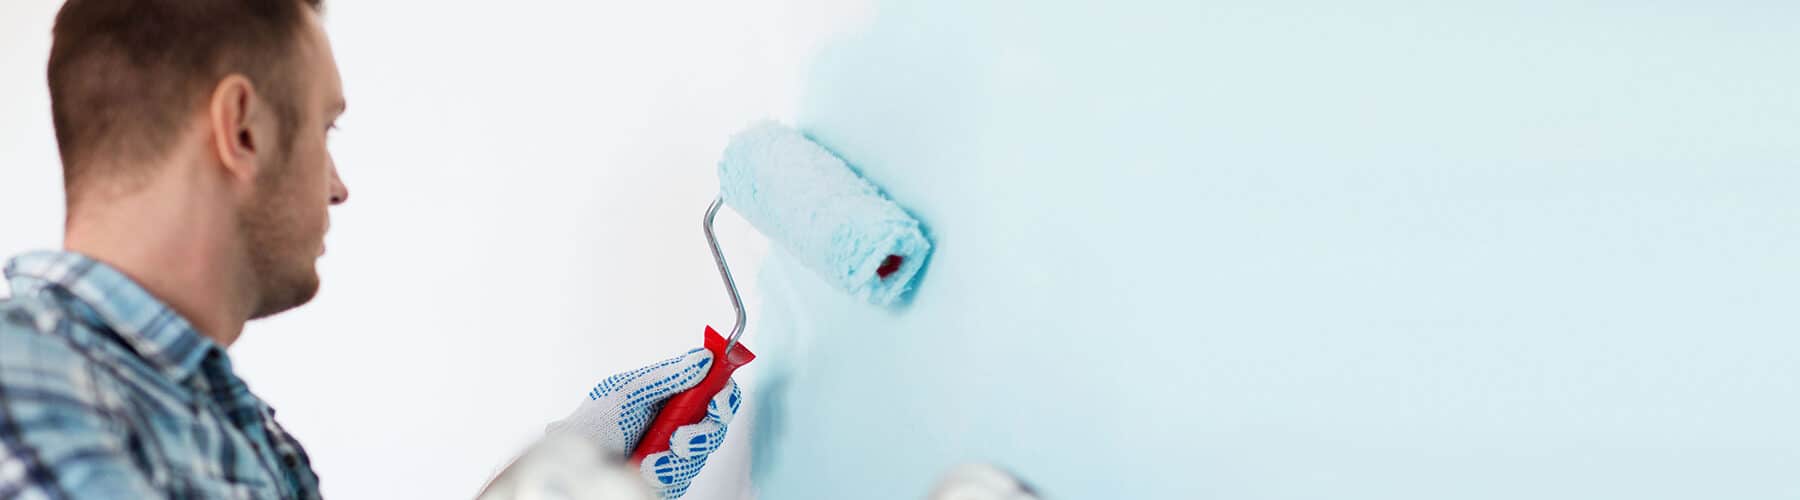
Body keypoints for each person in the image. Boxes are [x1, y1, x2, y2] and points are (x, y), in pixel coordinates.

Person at [0, 1, 738, 498]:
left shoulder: (235, 423)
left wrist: (547, 473)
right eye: (326, 130)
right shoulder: (22, 382)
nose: (338, 186)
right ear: (242, 130)